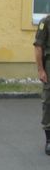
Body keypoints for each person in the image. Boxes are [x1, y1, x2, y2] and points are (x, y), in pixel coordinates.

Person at [33, 14, 50, 155]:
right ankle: (49, 141)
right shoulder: (46, 22)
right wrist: (41, 70)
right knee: (49, 102)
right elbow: (38, 47)